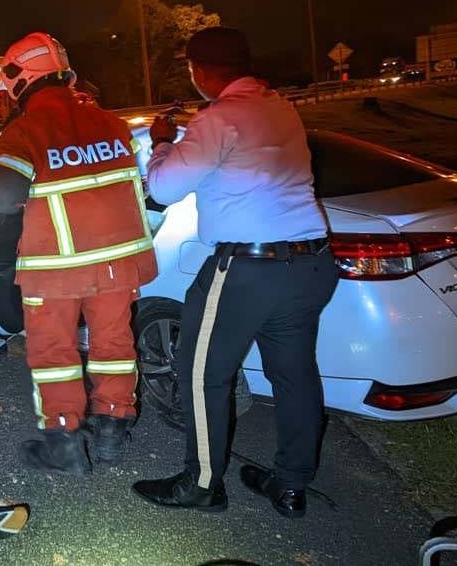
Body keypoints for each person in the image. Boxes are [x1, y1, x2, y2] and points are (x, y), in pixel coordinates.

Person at [132, 27, 338, 517]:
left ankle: (202, 484)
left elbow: (162, 188)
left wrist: (162, 143)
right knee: (295, 376)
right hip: (310, 263)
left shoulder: (217, 118)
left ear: (198, 72)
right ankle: (290, 485)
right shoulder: (280, 107)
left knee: (200, 373)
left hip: (248, 270)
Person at [0, 32, 157, 475]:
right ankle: (113, 429)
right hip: (117, 263)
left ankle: (65, 444)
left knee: (54, 352)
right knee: (114, 344)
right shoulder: (111, 123)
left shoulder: (27, 130)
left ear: (20, 78)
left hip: (56, 268)